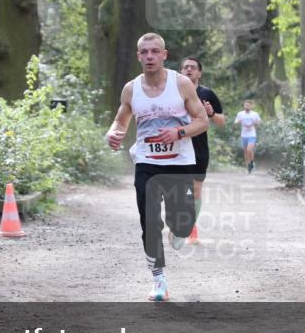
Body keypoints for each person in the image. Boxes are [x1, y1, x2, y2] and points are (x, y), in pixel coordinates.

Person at [105, 33, 209, 301]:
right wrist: (113, 133)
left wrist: (180, 132)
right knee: (149, 221)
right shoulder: (131, 89)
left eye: (154, 51)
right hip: (147, 163)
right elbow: (120, 121)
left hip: (179, 163)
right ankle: (158, 279)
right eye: (144, 52)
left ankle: (180, 229)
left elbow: (202, 121)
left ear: (164, 55)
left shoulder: (182, 84)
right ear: (139, 56)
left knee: (182, 225)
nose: (149, 56)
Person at [180, 57, 225, 245]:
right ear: (181, 72)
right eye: (185, 67)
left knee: (196, 189)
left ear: (199, 73)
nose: (189, 70)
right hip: (178, 145)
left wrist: (212, 113)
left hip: (199, 147)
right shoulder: (173, 92)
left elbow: (222, 122)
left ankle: (191, 229)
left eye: (193, 67)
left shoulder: (207, 93)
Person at [234, 100, 261, 173]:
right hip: (243, 135)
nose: (247, 107)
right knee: (246, 152)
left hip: (252, 135)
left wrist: (256, 123)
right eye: (245, 105)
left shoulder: (255, 114)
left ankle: (252, 163)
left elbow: (259, 123)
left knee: (249, 150)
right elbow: (235, 122)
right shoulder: (240, 114)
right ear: (244, 106)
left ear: (251, 106)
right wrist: (237, 122)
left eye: (248, 105)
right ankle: (248, 167)